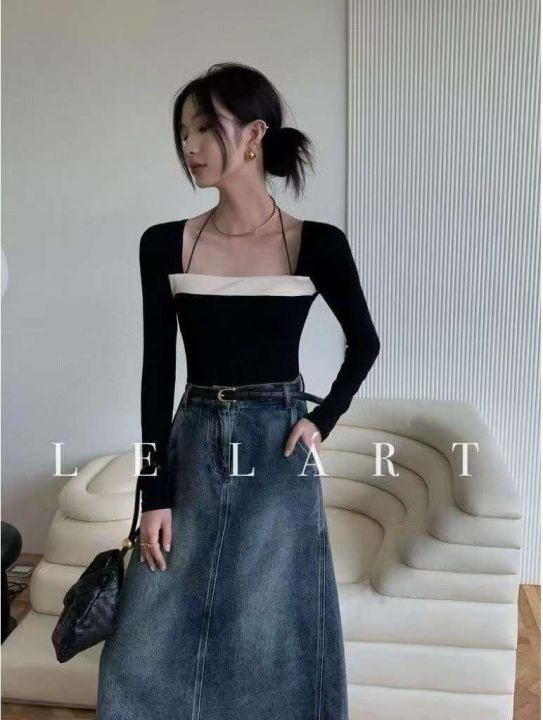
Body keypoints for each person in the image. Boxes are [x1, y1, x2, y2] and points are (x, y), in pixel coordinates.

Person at [97, 61, 380, 720]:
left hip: (277, 446)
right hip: (194, 433)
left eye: (204, 128)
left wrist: (322, 419)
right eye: (183, 132)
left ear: (253, 136)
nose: (189, 146)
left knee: (272, 620)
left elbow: (364, 343)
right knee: (148, 627)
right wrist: (154, 491)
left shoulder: (316, 244)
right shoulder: (165, 244)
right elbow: (156, 373)